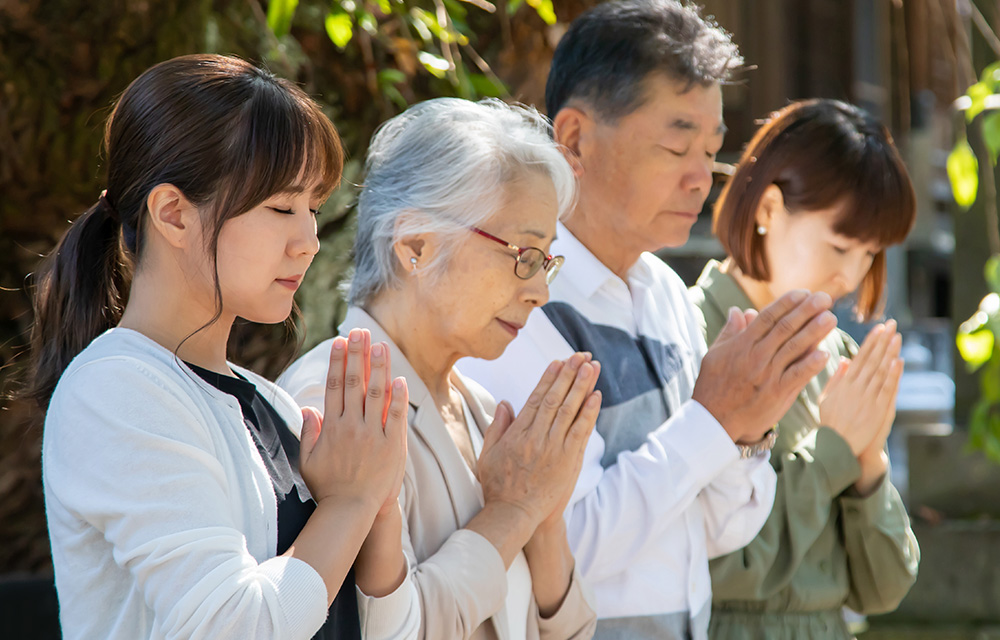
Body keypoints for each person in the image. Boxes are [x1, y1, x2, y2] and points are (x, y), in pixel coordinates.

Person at [458, 2, 842, 638]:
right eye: (676, 144)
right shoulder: (520, 301)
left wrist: (745, 430)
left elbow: (718, 532)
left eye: (713, 150)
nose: (701, 178)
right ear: (575, 139)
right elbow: (558, 538)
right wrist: (714, 422)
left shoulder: (665, 292)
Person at [27, 54, 419, 640]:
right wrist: (351, 504)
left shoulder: (273, 404)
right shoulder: (114, 390)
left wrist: (377, 509)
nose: (308, 241)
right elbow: (231, 627)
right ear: (173, 214)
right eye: (283, 207)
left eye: (313, 209)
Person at [279, 97, 599, 640]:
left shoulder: (475, 404)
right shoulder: (332, 401)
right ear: (417, 246)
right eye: (524, 254)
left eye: (547, 261)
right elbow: (395, 631)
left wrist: (542, 517)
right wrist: (514, 511)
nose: (540, 291)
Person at [687, 99, 920, 640]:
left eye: (870, 254)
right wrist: (833, 450)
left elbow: (883, 587)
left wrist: (867, 466)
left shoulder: (837, 352)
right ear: (768, 210)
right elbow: (717, 563)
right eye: (839, 245)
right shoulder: (688, 333)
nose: (850, 274)